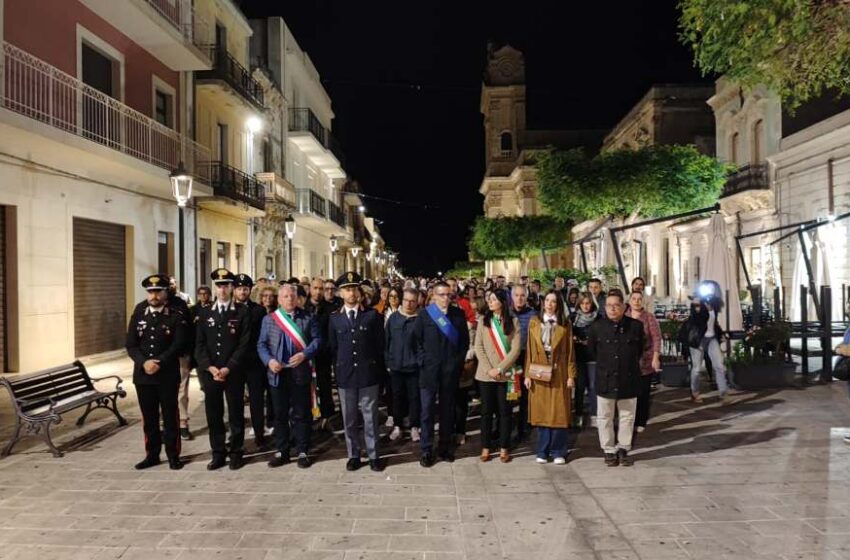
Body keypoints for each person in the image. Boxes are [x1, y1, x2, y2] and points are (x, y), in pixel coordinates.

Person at [125, 274, 188, 470]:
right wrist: (144, 363)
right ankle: (151, 454)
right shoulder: (139, 312)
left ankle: (173, 455)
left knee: (170, 416)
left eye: (157, 291)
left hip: (167, 374)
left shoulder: (175, 313)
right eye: (150, 292)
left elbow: (179, 343)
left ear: (164, 292)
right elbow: (131, 344)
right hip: (143, 375)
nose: (153, 295)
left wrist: (159, 361)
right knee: (149, 417)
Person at [257, 283, 322, 469]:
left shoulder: (308, 317)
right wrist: (269, 361)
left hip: (299, 372)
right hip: (278, 373)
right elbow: (261, 345)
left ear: (298, 298)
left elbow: (318, 340)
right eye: (285, 296)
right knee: (280, 414)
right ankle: (282, 450)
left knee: (301, 413)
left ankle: (302, 450)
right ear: (279, 299)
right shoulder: (269, 320)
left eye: (292, 296)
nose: (290, 299)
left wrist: (304, 354)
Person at [194, 268, 252, 471]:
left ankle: (236, 451)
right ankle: (218, 452)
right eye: (219, 286)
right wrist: (209, 367)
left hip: (233, 372)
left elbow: (244, 344)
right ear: (215, 288)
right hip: (211, 373)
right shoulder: (205, 312)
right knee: (214, 414)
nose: (222, 289)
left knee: (235, 413)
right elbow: (199, 344)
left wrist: (228, 368)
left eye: (226, 285)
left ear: (232, 288)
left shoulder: (242, 312)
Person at [328, 272, 386, 472]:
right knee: (349, 418)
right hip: (346, 375)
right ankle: (353, 454)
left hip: (368, 373)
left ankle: (374, 454)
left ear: (360, 292)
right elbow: (333, 348)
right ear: (341, 293)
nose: (351, 293)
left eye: (354, 288)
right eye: (347, 289)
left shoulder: (372, 316)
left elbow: (380, 345)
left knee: (370, 417)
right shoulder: (335, 319)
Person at [412, 281, 470, 467]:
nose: (445, 298)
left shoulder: (458, 315)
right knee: (427, 411)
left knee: (447, 411)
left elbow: (464, 343)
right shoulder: (424, 315)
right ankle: (427, 449)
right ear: (434, 296)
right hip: (429, 372)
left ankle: (444, 447)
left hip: (450, 372)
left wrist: (457, 363)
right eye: (442, 295)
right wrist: (422, 361)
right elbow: (416, 342)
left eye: (448, 295)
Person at [588, 292, 644, 467]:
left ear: (623, 307)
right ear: (604, 308)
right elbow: (592, 351)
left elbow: (640, 349)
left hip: (628, 378)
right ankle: (608, 449)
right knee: (604, 416)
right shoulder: (597, 327)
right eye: (609, 305)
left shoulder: (635, 326)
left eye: (616, 305)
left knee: (627, 416)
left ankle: (623, 448)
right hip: (605, 378)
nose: (612, 308)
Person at [525, 290, 577, 464]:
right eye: (547, 300)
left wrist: (571, 375)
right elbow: (530, 351)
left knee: (559, 412)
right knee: (542, 412)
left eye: (553, 301)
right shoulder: (534, 322)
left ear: (558, 305)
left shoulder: (565, 324)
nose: (549, 304)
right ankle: (542, 450)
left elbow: (570, 352)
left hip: (559, 372)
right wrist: (527, 374)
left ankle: (558, 451)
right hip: (539, 372)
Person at [475, 289, 521, 463]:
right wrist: (489, 369)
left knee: (505, 413)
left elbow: (515, 349)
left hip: (506, 374)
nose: (490, 302)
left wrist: (500, 369)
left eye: (494, 299)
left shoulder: (514, 321)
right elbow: (478, 347)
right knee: (486, 412)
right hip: (486, 375)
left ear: (502, 301)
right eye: (489, 299)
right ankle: (486, 447)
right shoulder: (483, 321)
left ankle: (504, 447)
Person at [233, 273, 272, 450]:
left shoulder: (258, 310)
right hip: (235, 363)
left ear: (250, 290)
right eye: (240, 288)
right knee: (235, 402)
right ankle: (237, 436)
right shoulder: (229, 310)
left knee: (257, 401)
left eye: (245, 289)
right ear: (235, 290)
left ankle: (259, 434)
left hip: (254, 362)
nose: (242, 291)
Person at [681, 283, 729, 404]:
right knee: (696, 368)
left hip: (711, 338)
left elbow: (713, 323)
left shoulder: (714, 304)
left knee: (719, 365)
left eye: (712, 290)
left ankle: (723, 393)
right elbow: (695, 319)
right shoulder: (697, 302)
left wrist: (721, 334)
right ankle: (695, 392)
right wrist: (697, 306)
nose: (710, 292)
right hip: (698, 339)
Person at [385, 287, 421, 442]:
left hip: (414, 367)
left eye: (412, 301)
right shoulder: (393, 319)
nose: (409, 304)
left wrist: (420, 362)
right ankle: (398, 425)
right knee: (397, 397)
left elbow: (423, 344)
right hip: (396, 366)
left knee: (414, 398)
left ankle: (414, 426)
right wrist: (388, 362)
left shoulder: (420, 319)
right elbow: (387, 342)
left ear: (417, 302)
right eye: (406, 300)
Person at [627, 291, 661, 433]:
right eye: (634, 299)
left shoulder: (648, 317)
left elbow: (656, 338)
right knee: (628, 394)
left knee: (643, 393)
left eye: (639, 299)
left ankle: (641, 420)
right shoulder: (624, 317)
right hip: (627, 362)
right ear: (629, 301)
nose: (636, 301)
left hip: (645, 361)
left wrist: (655, 357)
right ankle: (629, 420)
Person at [182, 285, 212, 439]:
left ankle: (206, 389)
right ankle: (181, 423)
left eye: (206, 294)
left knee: (203, 374)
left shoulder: (213, 307)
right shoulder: (192, 309)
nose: (203, 296)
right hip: (192, 348)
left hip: (205, 350)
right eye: (201, 294)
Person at [305, 278, 337, 425]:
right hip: (306, 353)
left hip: (323, 353)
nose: (318, 292)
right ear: (310, 289)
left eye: (320, 289)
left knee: (324, 385)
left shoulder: (329, 308)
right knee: (308, 387)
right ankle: (310, 412)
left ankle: (326, 414)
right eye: (315, 288)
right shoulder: (304, 307)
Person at [510, 285, 536, 444]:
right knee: (511, 395)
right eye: (516, 295)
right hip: (510, 359)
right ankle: (506, 427)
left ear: (526, 297)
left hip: (526, 357)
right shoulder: (506, 313)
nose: (519, 298)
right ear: (512, 297)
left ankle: (523, 427)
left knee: (526, 395)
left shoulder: (533, 315)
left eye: (522, 295)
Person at [572, 293, 598, 428]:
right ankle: (579, 414)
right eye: (582, 303)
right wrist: (575, 339)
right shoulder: (574, 318)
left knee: (593, 387)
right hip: (579, 357)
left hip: (594, 356)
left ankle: (595, 415)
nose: (585, 306)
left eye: (588, 303)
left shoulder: (598, 317)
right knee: (580, 387)